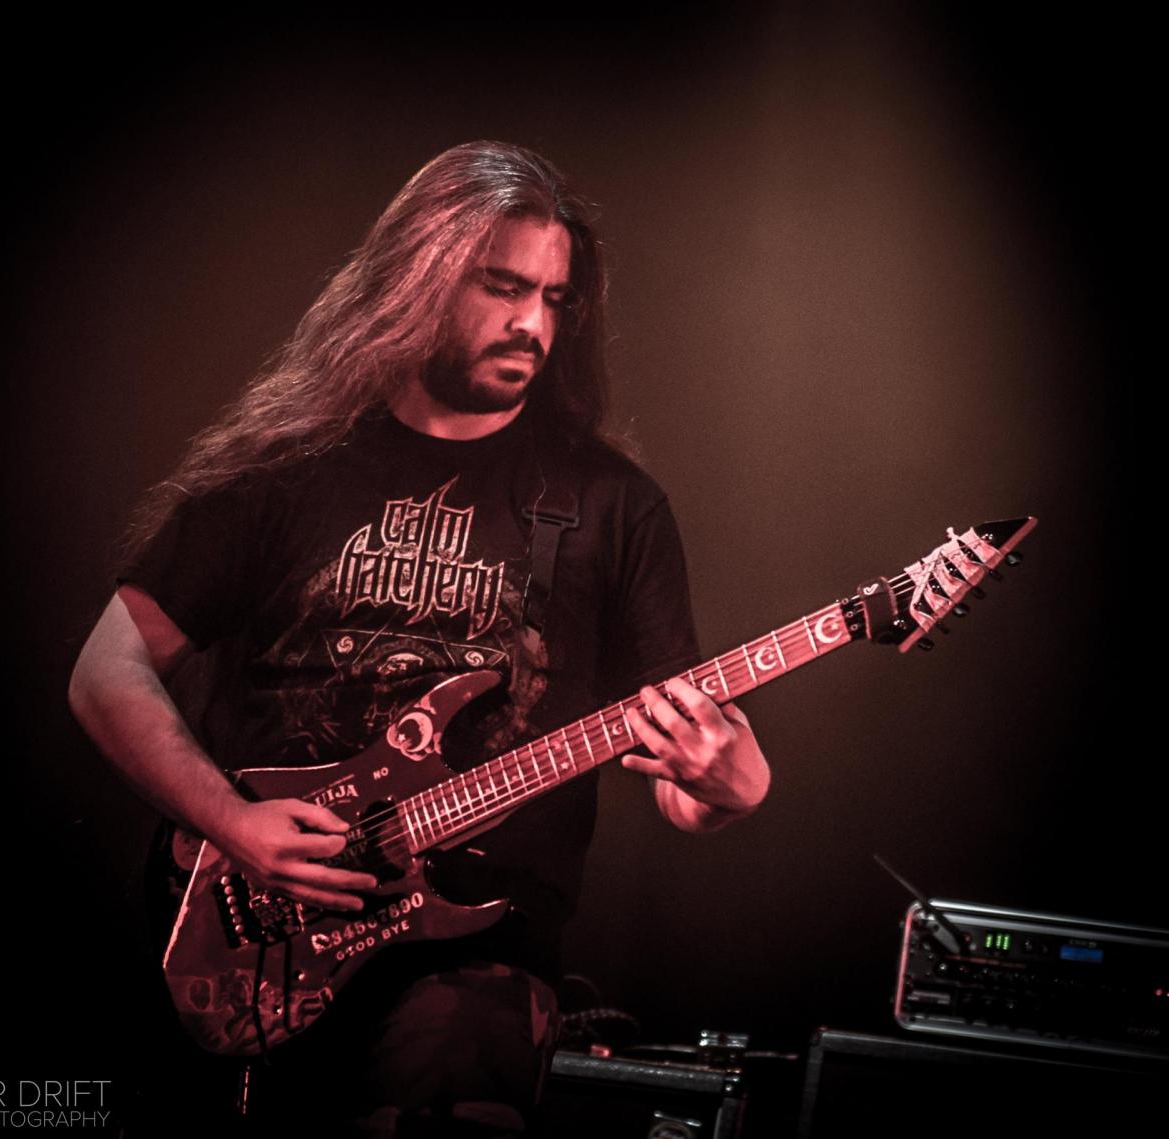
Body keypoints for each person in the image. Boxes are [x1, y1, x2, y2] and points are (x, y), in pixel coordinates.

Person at [69, 140, 770, 1136]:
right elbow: (107, 669)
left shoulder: (614, 507)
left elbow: (676, 767)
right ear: (419, 275)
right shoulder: (284, 472)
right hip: (257, 920)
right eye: (502, 287)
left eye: (554, 297)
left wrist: (728, 785)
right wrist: (231, 821)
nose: (533, 323)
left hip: (479, 956)